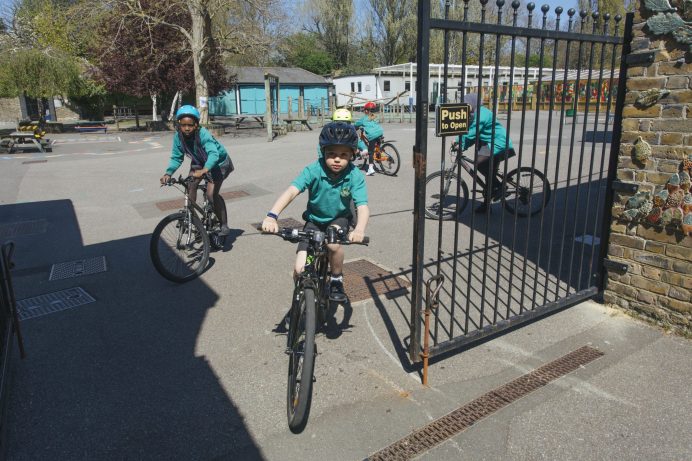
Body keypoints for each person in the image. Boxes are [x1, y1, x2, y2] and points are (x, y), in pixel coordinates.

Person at [262, 121, 370, 303]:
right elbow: (291, 191)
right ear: (323, 152)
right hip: (314, 221)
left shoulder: (355, 175)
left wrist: (359, 229)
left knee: (333, 243)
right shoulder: (313, 170)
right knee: (299, 269)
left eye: (343, 155)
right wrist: (272, 216)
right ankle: (299, 303)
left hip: (339, 219)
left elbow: (362, 206)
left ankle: (336, 278)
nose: (337, 159)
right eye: (331, 154)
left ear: (353, 155)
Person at [160, 105, 233, 236]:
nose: (187, 128)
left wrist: (205, 170)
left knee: (211, 195)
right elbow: (176, 157)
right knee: (190, 185)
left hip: (218, 163)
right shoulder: (178, 137)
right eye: (183, 125)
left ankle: (224, 224)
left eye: (190, 125)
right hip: (199, 162)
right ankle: (194, 221)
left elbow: (213, 154)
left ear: (196, 125)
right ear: (179, 125)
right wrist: (168, 173)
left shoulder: (203, 134)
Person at [458, 93, 515, 213]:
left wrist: (460, 142)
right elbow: (473, 137)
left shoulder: (481, 113)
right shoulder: (474, 114)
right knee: (489, 177)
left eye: (466, 104)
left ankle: (500, 187)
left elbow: (472, 131)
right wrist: (463, 146)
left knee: (479, 164)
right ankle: (486, 206)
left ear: (473, 102)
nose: (464, 106)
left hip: (498, 144)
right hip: (489, 145)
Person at [354, 101, 384, 176]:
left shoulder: (363, 119)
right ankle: (378, 158)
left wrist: (355, 127)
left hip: (372, 135)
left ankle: (371, 169)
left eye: (365, 110)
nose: (364, 111)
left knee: (370, 152)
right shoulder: (374, 116)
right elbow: (372, 124)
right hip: (380, 132)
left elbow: (356, 125)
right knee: (377, 148)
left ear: (366, 110)